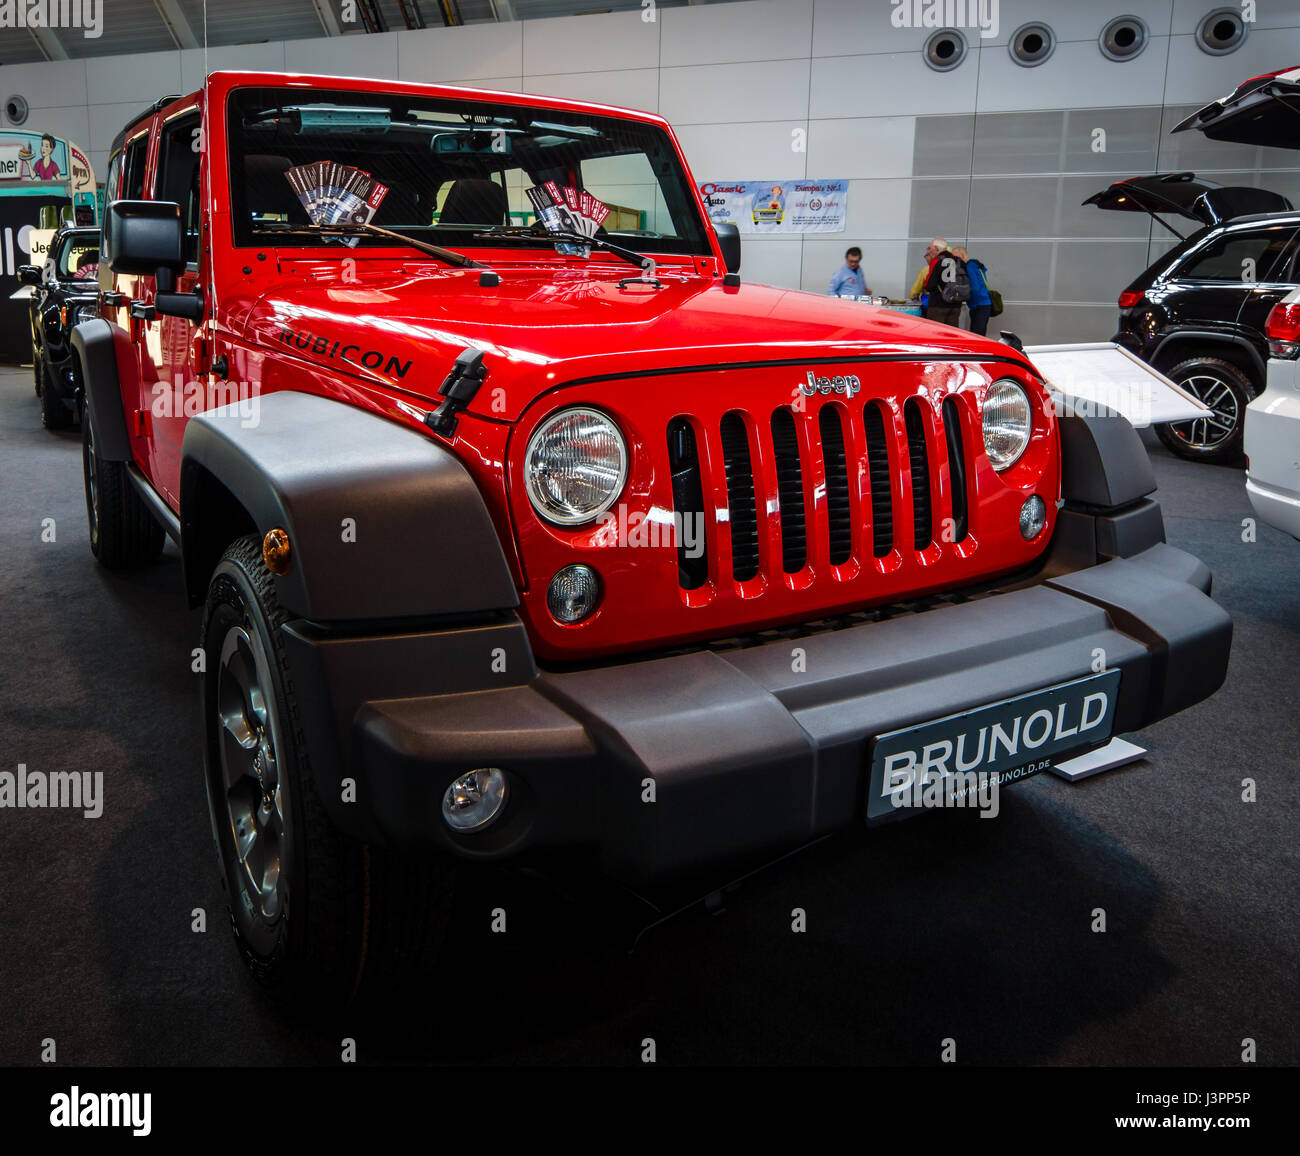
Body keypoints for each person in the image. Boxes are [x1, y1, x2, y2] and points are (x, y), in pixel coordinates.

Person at [921, 238, 965, 327]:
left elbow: (929, 285)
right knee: (952, 334)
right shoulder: (959, 261)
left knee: (935, 333)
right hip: (956, 305)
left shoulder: (937, 261)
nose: (929, 252)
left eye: (930, 248)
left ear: (937, 248)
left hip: (938, 305)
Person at [952, 245, 991, 335]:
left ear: (962, 255)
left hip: (978, 304)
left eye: (955, 257)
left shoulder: (970, 266)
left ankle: (980, 349)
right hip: (984, 303)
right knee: (980, 333)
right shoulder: (976, 265)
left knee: (977, 334)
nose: (954, 260)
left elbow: (975, 288)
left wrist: (966, 297)